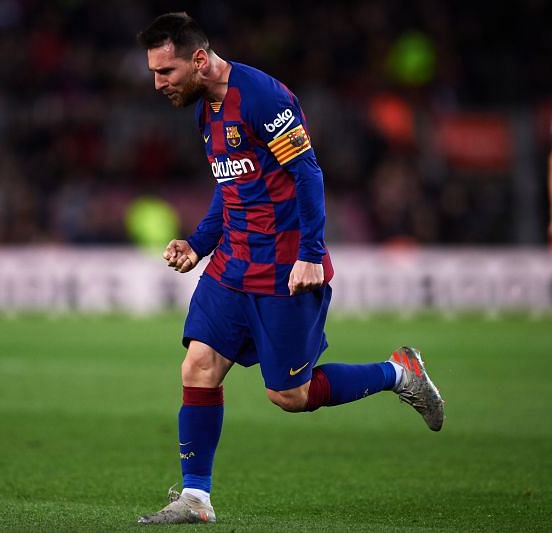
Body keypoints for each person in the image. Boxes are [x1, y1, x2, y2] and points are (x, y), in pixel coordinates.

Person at [135, 12, 445, 525]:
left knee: (290, 396)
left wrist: (310, 252)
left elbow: (307, 173)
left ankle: (399, 374)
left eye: (165, 72)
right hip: (233, 263)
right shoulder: (204, 111)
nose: (158, 83)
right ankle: (196, 498)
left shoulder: (263, 99)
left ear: (197, 59)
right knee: (198, 367)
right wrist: (199, 243)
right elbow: (230, 187)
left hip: (284, 265)